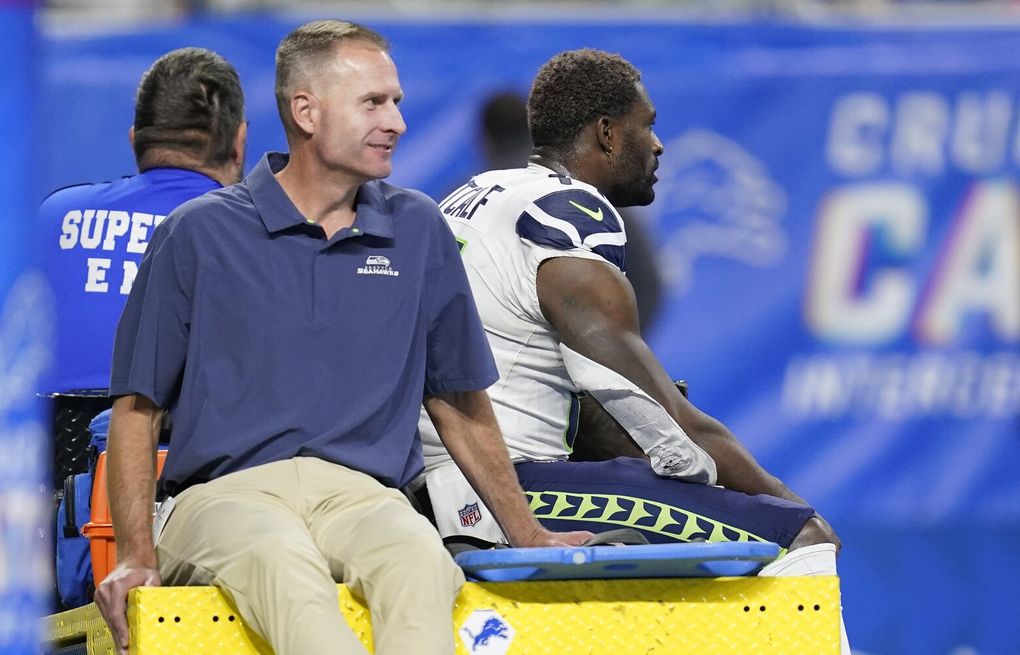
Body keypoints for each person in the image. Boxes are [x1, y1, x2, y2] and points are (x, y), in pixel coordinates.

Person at [93, 20, 589, 655]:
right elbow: (137, 412)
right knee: (282, 564)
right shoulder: (197, 233)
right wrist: (136, 556)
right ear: (306, 111)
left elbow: (460, 405)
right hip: (221, 499)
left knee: (421, 563)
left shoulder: (420, 229)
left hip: (366, 497)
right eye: (374, 103)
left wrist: (528, 534)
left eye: (398, 103)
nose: (397, 123)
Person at [417, 48, 850, 652]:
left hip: (440, 483)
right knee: (800, 537)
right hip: (507, 487)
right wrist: (784, 499)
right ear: (606, 133)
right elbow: (667, 425)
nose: (659, 144)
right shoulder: (571, 214)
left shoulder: (470, 194)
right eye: (647, 125)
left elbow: (592, 414)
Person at [38, 47, 248, 491]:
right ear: (238, 140)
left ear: (135, 138)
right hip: (184, 487)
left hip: (45, 486)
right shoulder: (250, 230)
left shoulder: (53, 214)